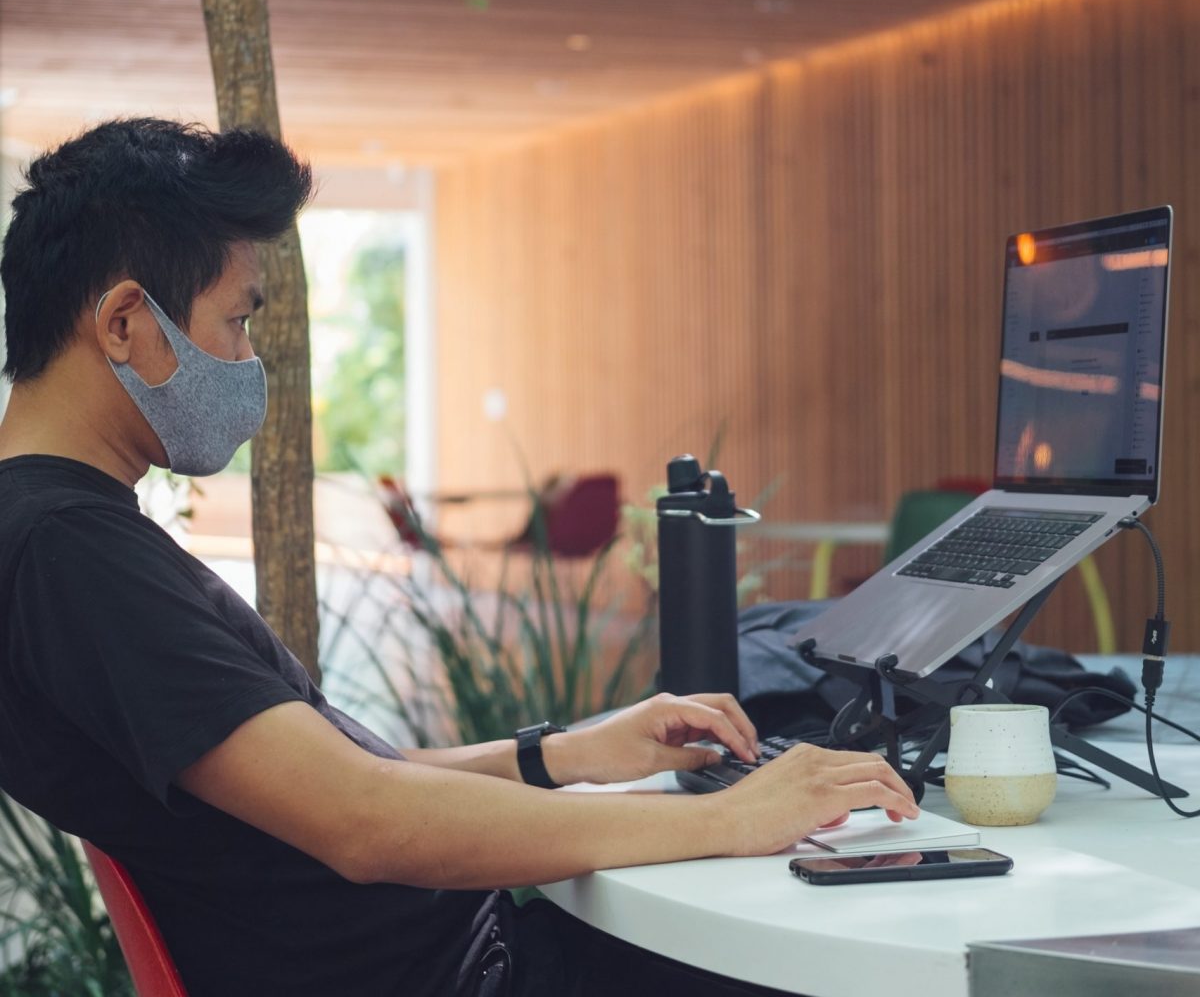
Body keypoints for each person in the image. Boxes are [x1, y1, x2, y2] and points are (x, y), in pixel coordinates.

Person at [0, 119, 919, 997]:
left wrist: (565, 754)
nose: (245, 359)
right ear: (123, 324)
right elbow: (364, 823)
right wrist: (726, 818)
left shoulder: (68, 530)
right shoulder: (66, 551)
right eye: (236, 322)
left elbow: (353, 781)